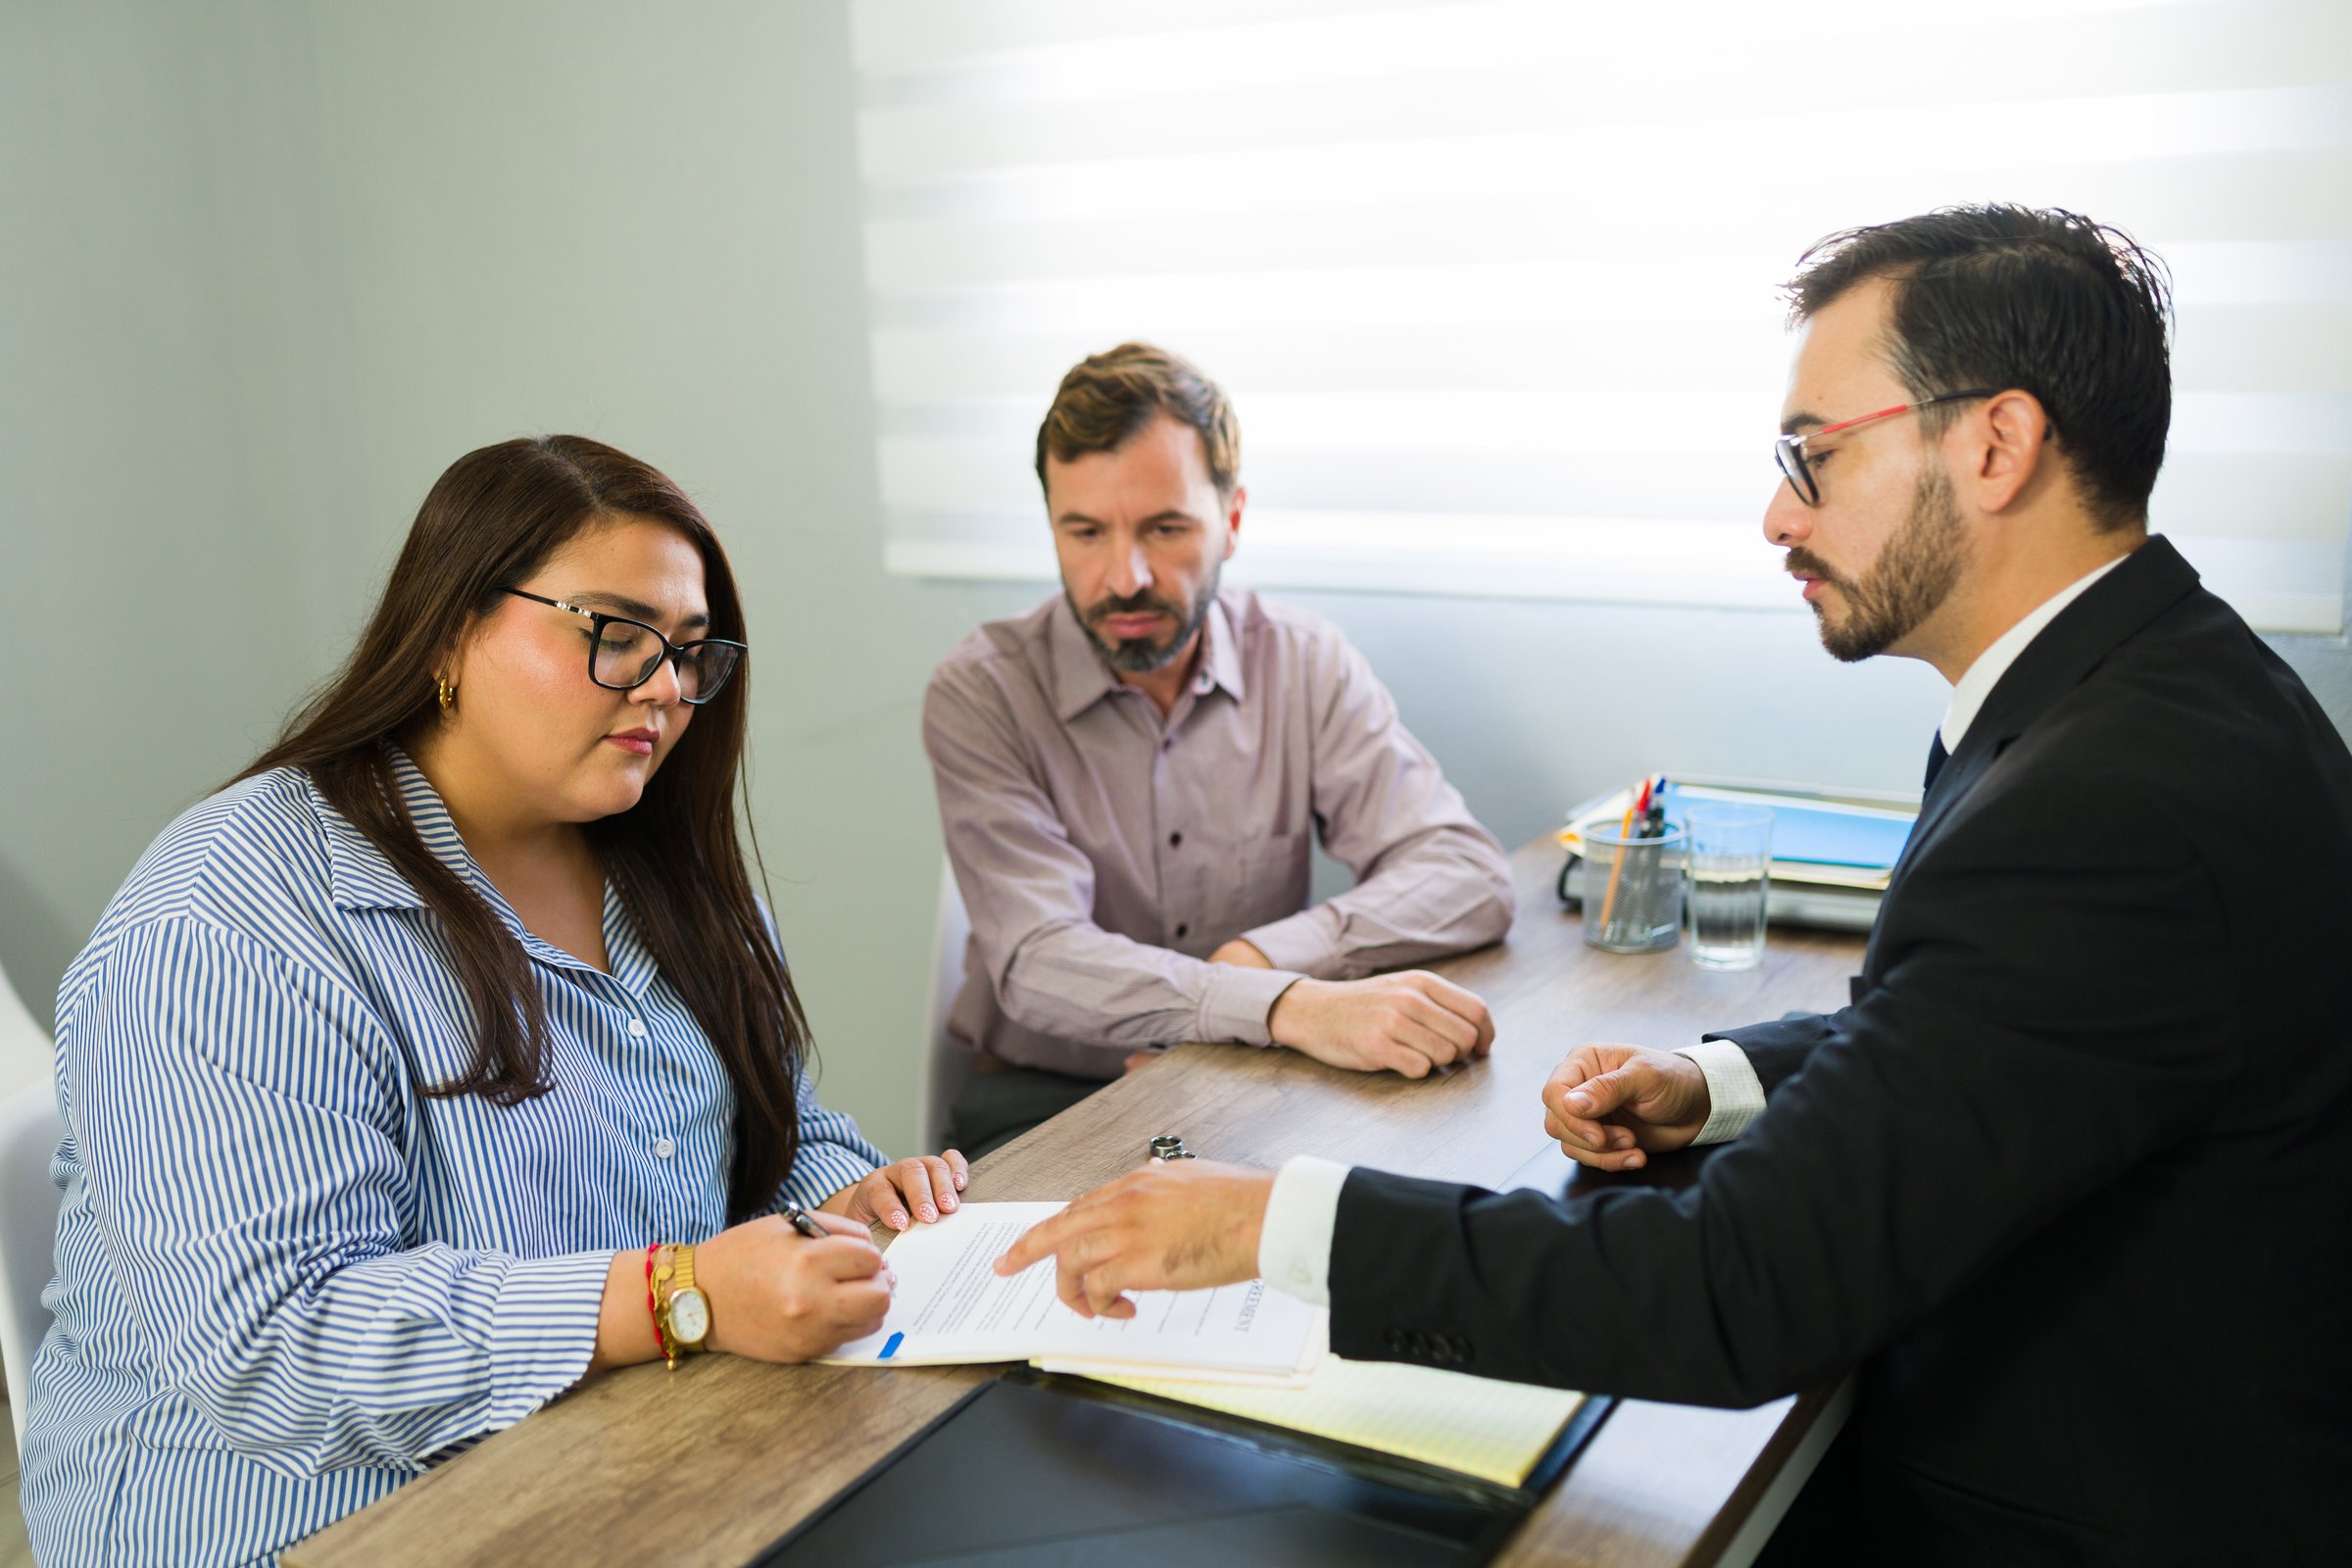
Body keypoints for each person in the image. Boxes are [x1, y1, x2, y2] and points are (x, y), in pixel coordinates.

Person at [993, 209, 2352, 1564]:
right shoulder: (2150, 692)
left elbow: (1737, 1289)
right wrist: (1722, 1081)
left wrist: (1278, 1218)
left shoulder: (2102, 802)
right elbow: (1995, 1032)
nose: (1778, 513)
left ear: (1996, 445)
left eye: (1813, 455)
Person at [22, 436, 968, 1567]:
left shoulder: (661, 870)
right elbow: (273, 1346)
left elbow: (780, 1130)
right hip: (294, 1524)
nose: (666, 687)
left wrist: (850, 1207)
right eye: (615, 635)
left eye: (687, 651)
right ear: (450, 633)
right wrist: (679, 1296)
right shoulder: (231, 916)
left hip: (617, 1453)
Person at [923, 343, 1515, 1156]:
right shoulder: (983, 693)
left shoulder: (1303, 662)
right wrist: (1275, 1003)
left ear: (1231, 522)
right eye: (1085, 531)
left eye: (1165, 528)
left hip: (1260, 1079)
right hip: (1050, 1101)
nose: (1123, 576)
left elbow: (1468, 875)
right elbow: (1037, 958)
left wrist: (1259, 961)